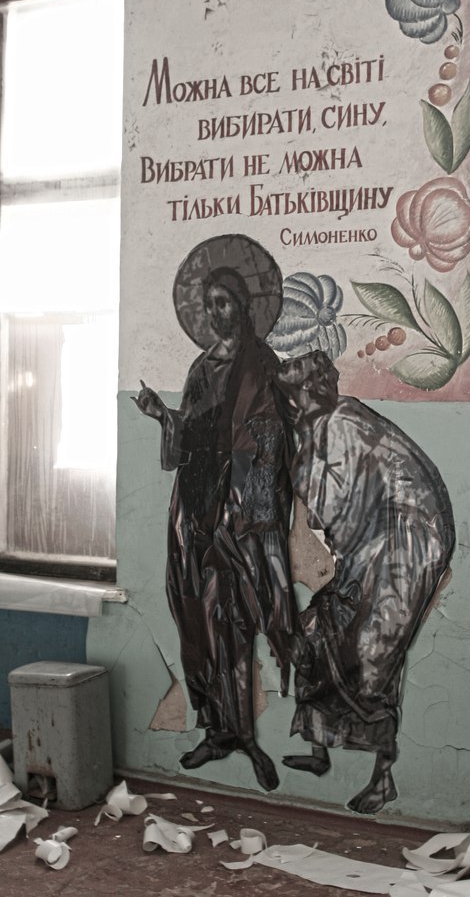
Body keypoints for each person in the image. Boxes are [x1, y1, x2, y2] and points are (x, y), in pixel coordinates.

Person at [134, 236, 298, 792]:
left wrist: (244, 495)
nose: (214, 312)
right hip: (195, 506)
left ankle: (246, 735)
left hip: (241, 512)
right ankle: (215, 729)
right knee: (197, 619)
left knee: (235, 620)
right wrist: (163, 417)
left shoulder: (263, 365)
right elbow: (187, 436)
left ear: (244, 306)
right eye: (208, 305)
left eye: (223, 302)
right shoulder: (201, 367)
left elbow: (274, 438)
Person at [276, 350, 456, 813]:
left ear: (313, 390)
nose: (293, 403)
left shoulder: (342, 423)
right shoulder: (317, 427)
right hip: (366, 545)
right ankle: (319, 749)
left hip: (404, 544)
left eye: (296, 394)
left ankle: (383, 778)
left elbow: (331, 506)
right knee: (317, 631)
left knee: (374, 651)